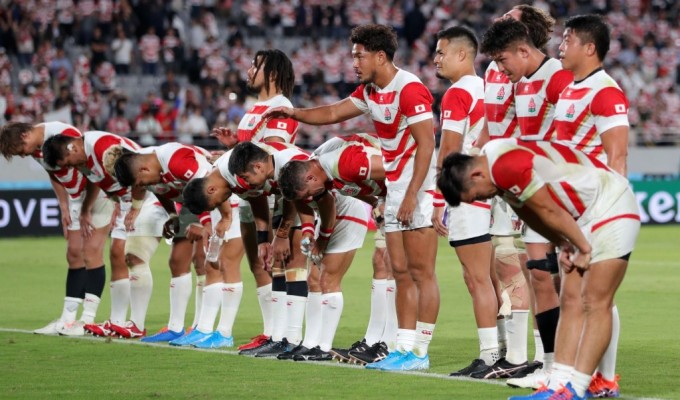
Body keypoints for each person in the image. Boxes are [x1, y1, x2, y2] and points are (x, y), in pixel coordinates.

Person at [266, 24, 439, 371]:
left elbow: (427, 143)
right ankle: (403, 348)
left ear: (379, 55)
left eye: (359, 55)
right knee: (400, 272)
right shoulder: (371, 91)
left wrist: (411, 195)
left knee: (422, 273)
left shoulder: (409, 89)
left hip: (414, 189)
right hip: (394, 190)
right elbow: (332, 113)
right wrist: (295, 113)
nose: (354, 63)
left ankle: (420, 351)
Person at [438, 139, 639, 400]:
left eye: (477, 195)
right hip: (583, 216)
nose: (483, 199)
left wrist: (582, 248)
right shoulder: (495, 171)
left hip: (611, 205)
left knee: (595, 301)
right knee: (569, 300)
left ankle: (578, 389)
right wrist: (563, 242)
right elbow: (530, 214)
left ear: (476, 174)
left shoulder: (504, 165)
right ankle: (559, 385)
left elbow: (548, 209)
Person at [481, 16, 574, 386]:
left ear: (523, 50)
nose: (500, 71)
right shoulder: (521, 82)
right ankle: (549, 367)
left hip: (562, 195)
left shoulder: (558, 78)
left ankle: (580, 368)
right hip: (534, 194)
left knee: (570, 281)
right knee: (538, 277)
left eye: (503, 61)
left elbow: (568, 139)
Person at [552, 14, 631, 398]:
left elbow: (617, 159)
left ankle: (602, 380)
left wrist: (600, 217)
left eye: (567, 40)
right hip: (573, 209)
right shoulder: (570, 89)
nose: (560, 46)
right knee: (575, 297)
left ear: (589, 48)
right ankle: (567, 382)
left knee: (595, 298)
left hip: (600, 210)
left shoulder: (605, 91)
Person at [431, 25, 516, 378]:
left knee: (476, 278)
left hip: (466, 191)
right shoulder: (486, 87)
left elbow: (449, 149)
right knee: (492, 278)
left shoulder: (457, 93)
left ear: (462, 55)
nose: (435, 59)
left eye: (441, 52)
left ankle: (489, 356)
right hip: (491, 190)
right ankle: (504, 351)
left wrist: (439, 197)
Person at [210, 48, 299, 353]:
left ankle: (282, 335)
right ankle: (270, 332)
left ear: (272, 74)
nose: (248, 71)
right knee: (258, 264)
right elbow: (253, 153)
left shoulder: (280, 108)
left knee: (276, 265)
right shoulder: (256, 107)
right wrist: (234, 148)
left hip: (271, 196)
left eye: (255, 66)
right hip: (252, 194)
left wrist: (278, 229)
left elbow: (274, 157)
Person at [277, 133, 393, 364]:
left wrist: (322, 239)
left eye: (308, 193)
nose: (310, 197)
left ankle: (383, 343)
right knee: (316, 278)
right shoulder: (315, 172)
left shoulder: (336, 165)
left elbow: (328, 201)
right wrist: (310, 232)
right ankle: (313, 343)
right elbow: (316, 201)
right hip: (368, 202)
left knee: (333, 276)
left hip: (354, 212)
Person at [42, 131, 167, 339]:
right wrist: (111, 200)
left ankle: (136, 324)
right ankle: (117, 322)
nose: (70, 168)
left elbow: (137, 169)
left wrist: (134, 205)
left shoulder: (103, 146)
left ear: (72, 148)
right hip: (124, 201)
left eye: (68, 163)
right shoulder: (83, 160)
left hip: (144, 196)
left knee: (131, 256)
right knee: (116, 255)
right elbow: (95, 180)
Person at [0, 122, 114, 336]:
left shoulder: (63, 135)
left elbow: (92, 170)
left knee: (91, 252)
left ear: (25, 135)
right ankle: (67, 319)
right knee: (73, 254)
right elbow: (53, 173)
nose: (23, 156)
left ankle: (87, 320)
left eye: (20, 151)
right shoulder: (36, 148)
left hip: (96, 194)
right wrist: (64, 205)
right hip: (76, 198)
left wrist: (86, 209)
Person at [106, 143, 216, 344]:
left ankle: (201, 327)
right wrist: (173, 214)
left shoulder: (175, 160)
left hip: (212, 199)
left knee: (202, 261)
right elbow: (161, 191)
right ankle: (176, 328)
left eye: (140, 181)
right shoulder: (150, 174)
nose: (142, 186)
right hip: (192, 202)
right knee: (177, 261)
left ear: (143, 169)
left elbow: (208, 184)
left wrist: (207, 223)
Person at [227, 141, 315, 358]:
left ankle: (292, 339)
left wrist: (282, 235)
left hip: (313, 208)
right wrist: (268, 239)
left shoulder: (289, 163)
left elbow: (296, 197)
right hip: (292, 206)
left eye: (246, 177)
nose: (247, 183)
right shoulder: (273, 171)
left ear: (257, 167)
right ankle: (278, 337)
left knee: (294, 265)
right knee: (279, 266)